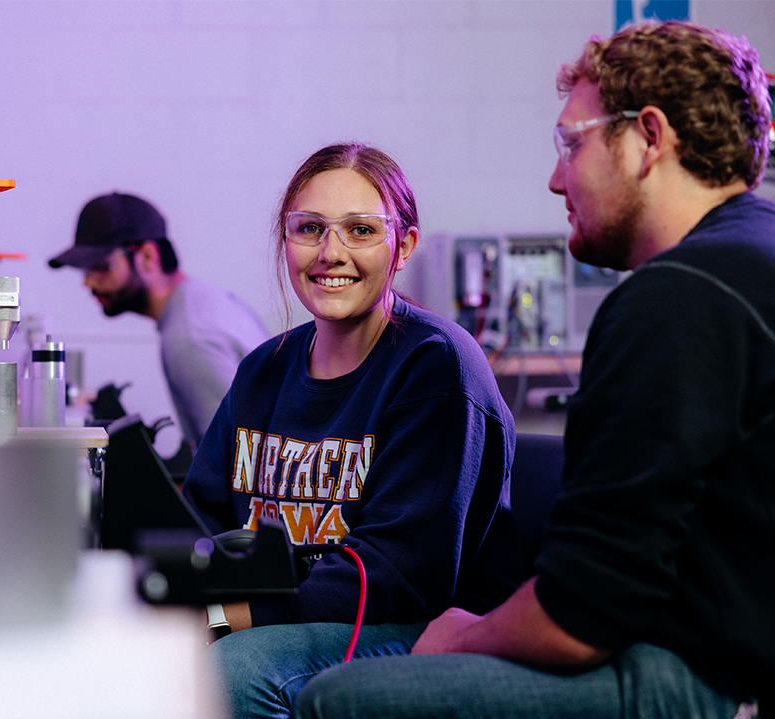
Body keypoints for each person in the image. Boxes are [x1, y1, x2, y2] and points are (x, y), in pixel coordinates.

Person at [294, 21, 775, 719]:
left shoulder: (679, 296)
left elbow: (579, 613)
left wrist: (464, 634)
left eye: (571, 143)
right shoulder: (757, 254)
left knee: (337, 701)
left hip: (711, 679)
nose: (555, 177)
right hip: (717, 649)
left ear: (648, 137)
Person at [181, 143, 522, 719]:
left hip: (416, 623)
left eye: (360, 230)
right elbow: (203, 517)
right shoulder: (263, 370)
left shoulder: (435, 365)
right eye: (309, 228)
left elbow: (395, 573)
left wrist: (224, 618)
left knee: (231, 671)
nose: (330, 253)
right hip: (282, 612)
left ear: (403, 245)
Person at [48, 192, 269, 450]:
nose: (88, 282)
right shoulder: (204, 301)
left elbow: (237, 459)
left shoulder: (189, 338)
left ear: (147, 257)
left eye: (101, 266)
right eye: (85, 270)